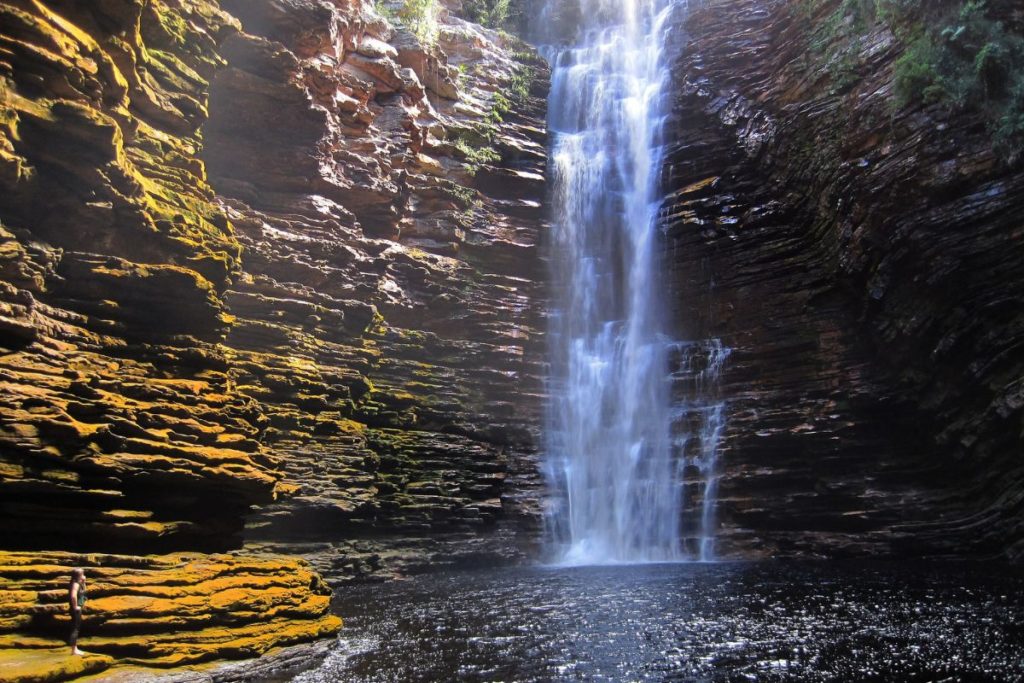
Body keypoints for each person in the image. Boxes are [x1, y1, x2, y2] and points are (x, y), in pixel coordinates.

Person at [68, 568, 86, 655]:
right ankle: (74, 650)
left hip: (77, 609)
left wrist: (83, 582)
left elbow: (84, 592)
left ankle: (75, 649)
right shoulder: (75, 584)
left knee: (76, 628)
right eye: (82, 574)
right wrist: (75, 607)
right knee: (75, 629)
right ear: (78, 576)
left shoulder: (79, 583)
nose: (84, 576)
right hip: (76, 610)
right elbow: (73, 596)